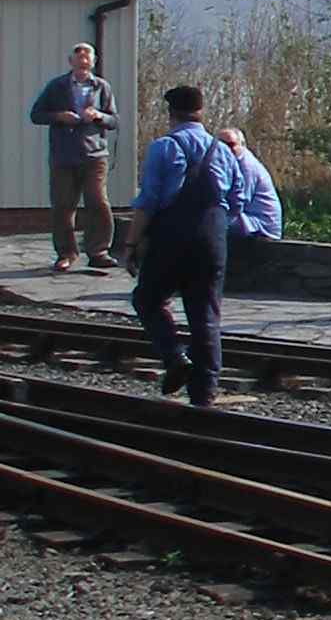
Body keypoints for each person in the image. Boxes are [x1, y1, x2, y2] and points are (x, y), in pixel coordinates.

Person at [123, 84, 235, 408]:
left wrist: (131, 244)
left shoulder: (164, 147)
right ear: (201, 112)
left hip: (172, 236)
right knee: (206, 315)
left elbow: (148, 201)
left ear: (171, 114)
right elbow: (237, 200)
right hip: (213, 237)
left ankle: (174, 358)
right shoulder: (223, 150)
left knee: (147, 298)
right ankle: (205, 394)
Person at [26, 40, 119, 273]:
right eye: (79, 59)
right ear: (71, 62)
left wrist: (98, 115)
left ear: (93, 62)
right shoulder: (56, 86)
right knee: (63, 205)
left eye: (87, 59)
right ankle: (66, 253)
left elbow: (114, 120)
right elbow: (36, 114)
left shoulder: (102, 87)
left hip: (94, 154)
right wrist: (59, 116)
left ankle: (99, 251)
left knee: (98, 201)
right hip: (64, 156)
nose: (83, 63)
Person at [217, 126, 285, 242]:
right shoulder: (230, 163)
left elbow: (239, 203)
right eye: (220, 144)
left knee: (211, 222)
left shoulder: (246, 166)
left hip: (261, 226)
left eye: (231, 145)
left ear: (242, 145)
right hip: (247, 220)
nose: (225, 149)